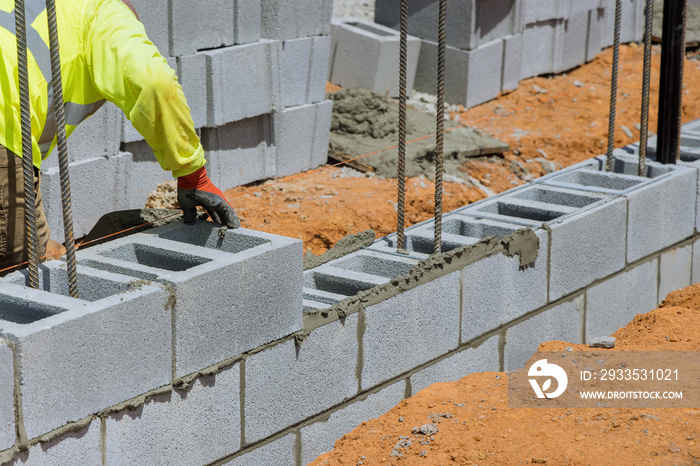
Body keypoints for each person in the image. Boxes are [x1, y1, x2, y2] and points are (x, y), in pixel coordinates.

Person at [0, 0, 240, 273]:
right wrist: (193, 176)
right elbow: (155, 83)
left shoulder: (42, 9)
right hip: (3, 128)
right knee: (22, 278)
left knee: (39, 247)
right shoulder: (104, 12)